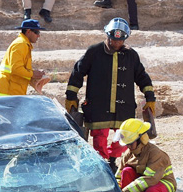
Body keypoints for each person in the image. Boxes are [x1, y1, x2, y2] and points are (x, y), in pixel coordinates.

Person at [66, 18, 155, 170]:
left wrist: (150, 97)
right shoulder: (94, 51)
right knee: (99, 135)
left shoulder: (131, 55)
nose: (116, 43)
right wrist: (71, 96)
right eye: (113, 39)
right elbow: (77, 72)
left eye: (120, 41)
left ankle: (113, 160)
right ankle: (101, 162)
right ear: (107, 35)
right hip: (98, 104)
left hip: (123, 106)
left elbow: (142, 76)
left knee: (123, 134)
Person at [114, 118, 176, 192]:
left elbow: (150, 178)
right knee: (126, 171)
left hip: (162, 182)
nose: (128, 147)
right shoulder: (130, 152)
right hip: (143, 182)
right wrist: (116, 190)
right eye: (127, 144)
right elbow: (119, 175)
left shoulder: (155, 154)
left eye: (130, 143)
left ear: (141, 139)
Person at [0, 19, 49, 96]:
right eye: (36, 32)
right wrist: (32, 74)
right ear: (28, 31)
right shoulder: (20, 44)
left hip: (13, 92)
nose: (38, 35)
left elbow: (20, 69)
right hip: (8, 93)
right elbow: (16, 69)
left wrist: (35, 76)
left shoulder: (24, 44)